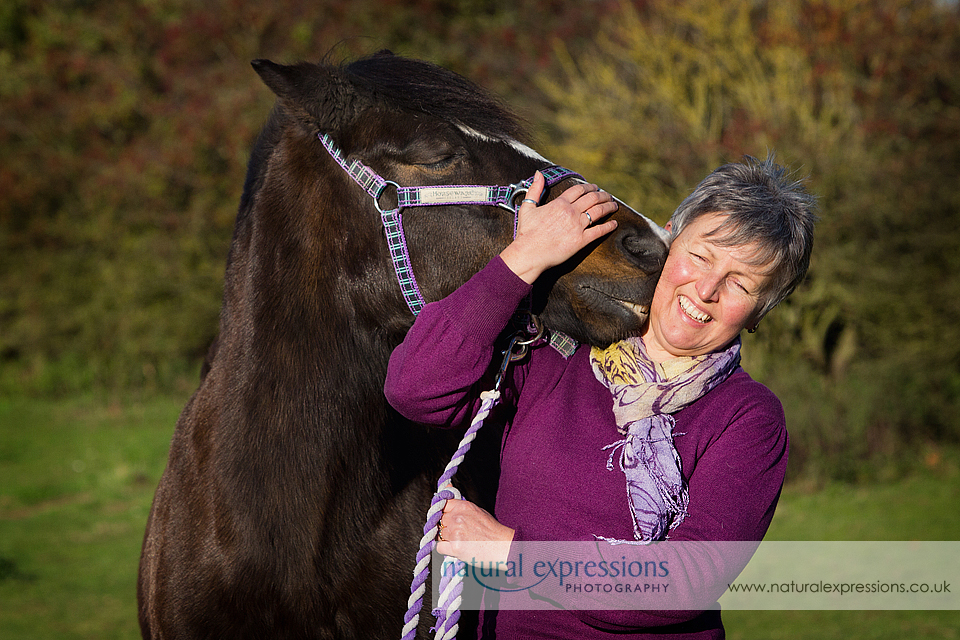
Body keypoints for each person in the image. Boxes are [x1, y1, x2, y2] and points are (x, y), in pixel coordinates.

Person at [385, 155, 817, 638]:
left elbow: (686, 580)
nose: (708, 288)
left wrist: (513, 553)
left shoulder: (747, 418)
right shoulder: (552, 355)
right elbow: (416, 390)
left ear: (759, 312)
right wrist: (524, 258)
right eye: (701, 256)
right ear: (669, 238)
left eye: (740, 283)